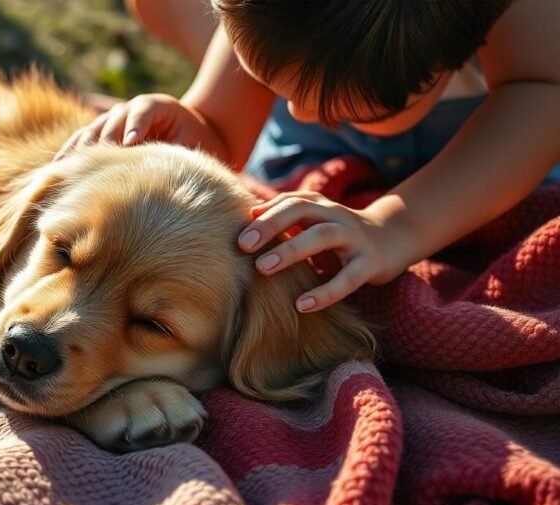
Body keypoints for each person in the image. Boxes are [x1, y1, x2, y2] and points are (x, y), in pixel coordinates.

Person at [57, 0, 560, 314]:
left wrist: (396, 227)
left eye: (340, 108)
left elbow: (542, 91)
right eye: (273, 85)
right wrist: (202, 124)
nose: (296, 109)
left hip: (499, 134)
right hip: (330, 123)